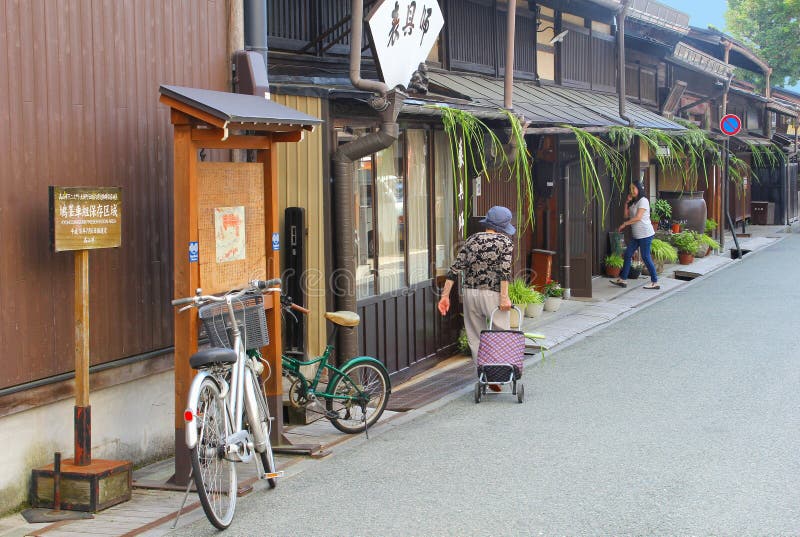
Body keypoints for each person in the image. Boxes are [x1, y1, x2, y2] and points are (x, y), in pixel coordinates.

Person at [437, 206, 514, 371]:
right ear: (503, 227)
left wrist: (445, 296)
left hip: (470, 294)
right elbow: (505, 272)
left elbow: (455, 269)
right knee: (500, 333)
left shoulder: (472, 240)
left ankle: (484, 371)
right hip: (493, 294)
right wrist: (504, 297)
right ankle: (498, 370)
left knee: (475, 336)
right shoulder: (505, 242)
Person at [611, 180, 660, 290]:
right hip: (637, 235)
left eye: (633, 188)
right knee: (628, 254)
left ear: (639, 189)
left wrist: (624, 224)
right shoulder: (634, 202)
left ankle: (655, 281)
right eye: (630, 189)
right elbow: (626, 216)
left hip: (645, 234)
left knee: (646, 257)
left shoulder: (643, 201)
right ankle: (623, 279)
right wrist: (626, 203)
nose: (631, 191)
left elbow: (638, 218)